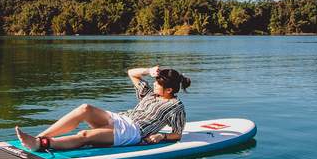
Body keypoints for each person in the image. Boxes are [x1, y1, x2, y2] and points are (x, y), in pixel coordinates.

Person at [15, 65, 191, 152]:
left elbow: (177, 134)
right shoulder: (150, 94)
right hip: (121, 118)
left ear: (169, 90)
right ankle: (40, 137)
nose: (154, 84)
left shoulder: (175, 106)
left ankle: (41, 144)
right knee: (84, 108)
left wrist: (161, 136)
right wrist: (149, 70)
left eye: (158, 84)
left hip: (133, 131)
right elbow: (131, 73)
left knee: (85, 135)